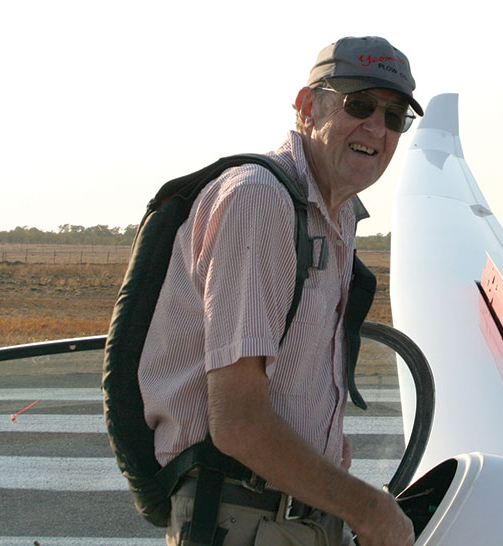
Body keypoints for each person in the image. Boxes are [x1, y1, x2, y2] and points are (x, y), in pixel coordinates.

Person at [138, 36, 424, 546]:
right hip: (241, 517)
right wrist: (371, 509)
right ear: (307, 108)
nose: (377, 128)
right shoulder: (261, 201)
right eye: (359, 105)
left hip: (291, 517)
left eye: (395, 115)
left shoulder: (335, 215)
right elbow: (240, 423)